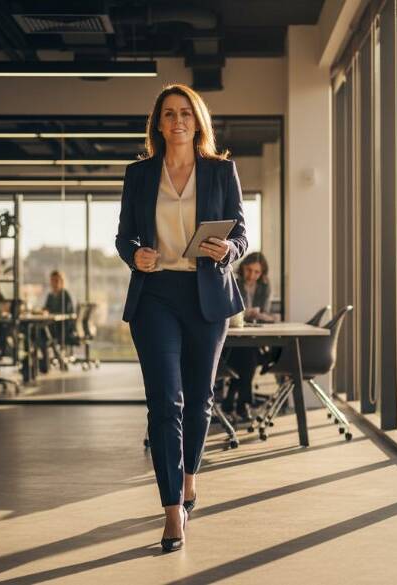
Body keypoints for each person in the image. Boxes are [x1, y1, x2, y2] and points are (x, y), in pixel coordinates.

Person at [116, 83, 247, 552]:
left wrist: (228, 248)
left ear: (198, 121)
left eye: (185, 113)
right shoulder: (139, 174)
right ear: (158, 123)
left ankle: (190, 475)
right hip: (156, 296)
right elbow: (123, 237)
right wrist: (136, 256)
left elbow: (241, 234)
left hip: (205, 294)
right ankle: (173, 509)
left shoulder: (220, 171)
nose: (177, 121)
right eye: (169, 114)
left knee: (198, 399)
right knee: (164, 402)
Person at [222, 252, 274, 420]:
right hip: (231, 339)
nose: (252, 275)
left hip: (251, 335)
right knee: (248, 355)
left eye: (257, 272)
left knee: (247, 354)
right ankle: (243, 402)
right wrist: (245, 314)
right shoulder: (234, 281)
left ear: (262, 273)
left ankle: (232, 400)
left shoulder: (264, 286)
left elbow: (266, 312)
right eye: (249, 270)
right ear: (243, 267)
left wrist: (262, 316)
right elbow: (230, 311)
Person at [42, 270, 76, 346]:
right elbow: (46, 308)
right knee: (34, 330)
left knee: (41, 332)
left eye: (56, 280)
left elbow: (66, 313)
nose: (54, 283)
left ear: (62, 281)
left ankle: (45, 356)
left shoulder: (65, 295)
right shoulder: (50, 296)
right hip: (52, 325)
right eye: (52, 281)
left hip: (62, 328)